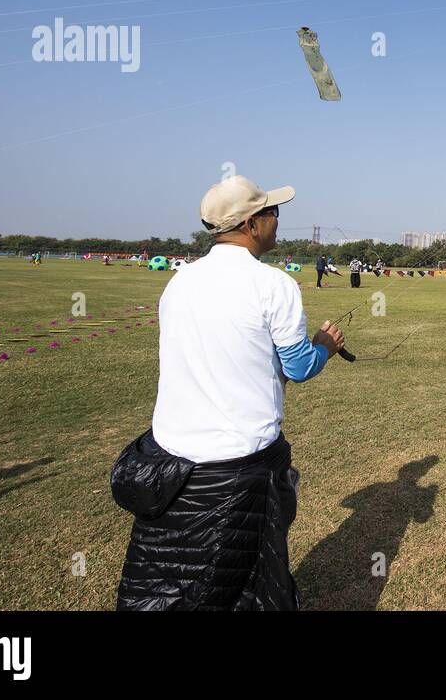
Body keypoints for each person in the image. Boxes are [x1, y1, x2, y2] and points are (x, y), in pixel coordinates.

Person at [111, 175, 345, 610]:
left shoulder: (181, 280)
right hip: (237, 466)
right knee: (243, 588)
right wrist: (325, 347)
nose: (278, 221)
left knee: (168, 585)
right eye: (273, 213)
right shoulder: (275, 285)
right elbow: (298, 368)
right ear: (252, 224)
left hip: (167, 458)